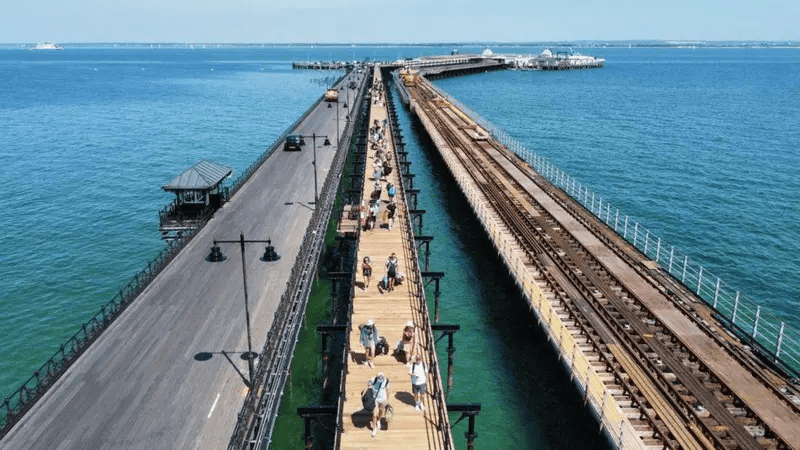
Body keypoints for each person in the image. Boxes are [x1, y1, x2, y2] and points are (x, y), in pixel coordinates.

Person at [367, 372, 391, 437]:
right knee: (374, 415)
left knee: (381, 412)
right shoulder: (374, 379)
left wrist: (387, 400)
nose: (380, 378)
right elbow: (368, 384)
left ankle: (379, 420)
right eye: (379, 377)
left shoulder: (386, 381)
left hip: (383, 399)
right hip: (375, 400)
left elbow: (387, 390)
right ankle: (374, 428)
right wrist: (370, 381)